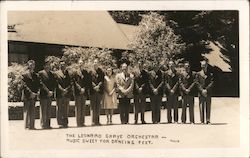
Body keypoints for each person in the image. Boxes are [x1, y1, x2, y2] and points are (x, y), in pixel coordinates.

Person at [38, 60, 56, 129]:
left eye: (49, 65)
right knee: (43, 110)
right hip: (43, 94)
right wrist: (47, 91)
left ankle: (48, 124)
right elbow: (41, 84)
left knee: (48, 110)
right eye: (47, 65)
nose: (48, 66)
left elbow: (54, 83)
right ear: (44, 66)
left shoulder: (52, 74)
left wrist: (51, 91)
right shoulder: (40, 73)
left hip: (50, 94)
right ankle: (43, 124)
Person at [22, 60, 40, 130]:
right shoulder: (24, 75)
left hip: (34, 96)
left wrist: (37, 92)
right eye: (30, 65)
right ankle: (26, 126)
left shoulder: (36, 75)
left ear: (34, 66)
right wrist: (31, 93)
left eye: (33, 65)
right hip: (27, 96)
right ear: (28, 66)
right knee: (26, 111)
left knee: (33, 111)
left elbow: (38, 84)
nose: (32, 66)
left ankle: (32, 126)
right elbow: (24, 85)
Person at [54, 61, 72, 128]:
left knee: (66, 108)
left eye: (64, 65)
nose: (63, 66)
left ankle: (65, 123)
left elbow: (70, 83)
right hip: (60, 93)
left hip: (67, 94)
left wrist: (66, 90)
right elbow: (56, 83)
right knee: (59, 109)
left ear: (66, 65)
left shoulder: (68, 73)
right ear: (59, 65)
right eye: (61, 65)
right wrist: (62, 90)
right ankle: (60, 123)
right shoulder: (56, 73)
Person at [72, 60, 89, 127]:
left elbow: (87, 82)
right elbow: (74, 82)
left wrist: (84, 88)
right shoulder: (75, 72)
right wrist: (80, 89)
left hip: (84, 92)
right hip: (78, 92)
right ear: (78, 64)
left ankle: (82, 122)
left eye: (82, 63)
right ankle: (78, 123)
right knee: (78, 108)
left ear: (83, 64)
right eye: (80, 63)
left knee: (83, 108)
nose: (81, 64)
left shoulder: (86, 72)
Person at [196, 60, 214, 124]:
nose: (203, 66)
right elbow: (197, 83)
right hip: (201, 93)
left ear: (207, 65)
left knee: (208, 106)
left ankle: (208, 120)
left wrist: (206, 90)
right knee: (201, 106)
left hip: (208, 92)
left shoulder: (210, 74)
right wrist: (202, 90)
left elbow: (211, 83)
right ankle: (202, 120)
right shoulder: (198, 74)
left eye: (204, 65)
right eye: (202, 65)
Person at [89, 59, 105, 126]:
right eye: (94, 62)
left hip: (99, 91)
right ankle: (93, 121)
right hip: (93, 91)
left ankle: (97, 121)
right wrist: (94, 86)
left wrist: (98, 86)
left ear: (98, 64)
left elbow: (102, 80)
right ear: (93, 63)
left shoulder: (101, 72)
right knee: (93, 107)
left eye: (97, 62)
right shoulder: (90, 72)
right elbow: (89, 80)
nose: (95, 63)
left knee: (98, 107)